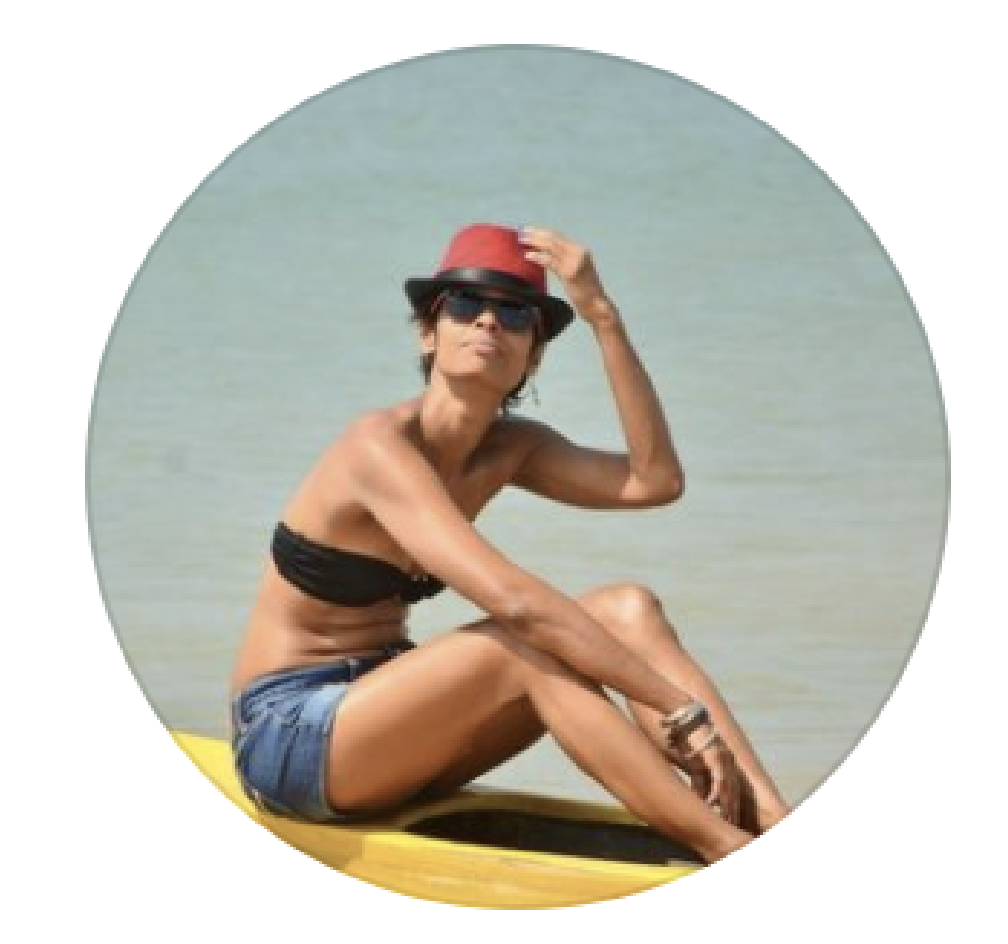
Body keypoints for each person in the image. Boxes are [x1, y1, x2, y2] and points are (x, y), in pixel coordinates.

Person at [230, 223, 789, 864]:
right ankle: (726, 851)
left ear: (533, 356)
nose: (489, 322)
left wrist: (603, 318)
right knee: (522, 645)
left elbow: (655, 480)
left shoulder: (512, 448)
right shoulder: (377, 449)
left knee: (629, 609)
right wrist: (677, 708)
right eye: (466, 304)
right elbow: (518, 604)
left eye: (516, 314)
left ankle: (773, 822)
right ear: (427, 333)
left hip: (385, 724)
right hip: (289, 736)